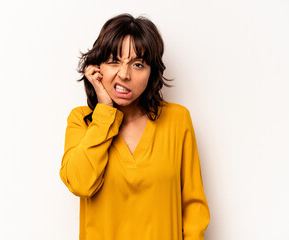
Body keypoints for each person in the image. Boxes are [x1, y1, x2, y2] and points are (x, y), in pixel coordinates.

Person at [59, 13, 210, 240]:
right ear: (96, 67)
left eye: (138, 64)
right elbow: (80, 184)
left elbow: (194, 209)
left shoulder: (177, 120)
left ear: (151, 72)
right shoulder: (82, 121)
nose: (124, 74)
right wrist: (104, 112)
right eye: (113, 61)